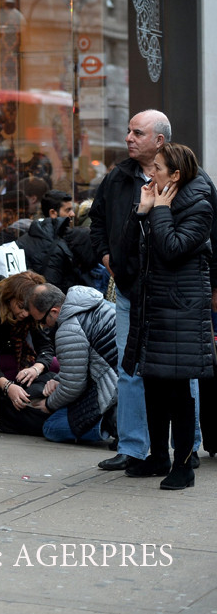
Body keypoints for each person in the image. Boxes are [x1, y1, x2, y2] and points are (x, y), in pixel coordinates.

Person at [119, 143, 214, 490]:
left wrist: (158, 210)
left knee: (176, 390)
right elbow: (129, 248)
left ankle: (183, 465)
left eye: (157, 168)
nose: (150, 173)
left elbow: (172, 249)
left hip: (180, 309)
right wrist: (142, 212)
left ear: (175, 175)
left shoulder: (199, 203)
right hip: (152, 304)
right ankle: (157, 456)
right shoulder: (156, 197)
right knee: (153, 384)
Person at [89, 109, 166, 471]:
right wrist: (106, 254)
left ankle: (187, 444)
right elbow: (98, 219)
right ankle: (133, 446)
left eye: (137, 133)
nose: (129, 138)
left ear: (159, 140)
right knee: (128, 366)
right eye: (129, 131)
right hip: (128, 288)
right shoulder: (118, 177)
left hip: (170, 291)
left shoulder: (188, 178)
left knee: (178, 370)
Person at [0, 271, 55, 436]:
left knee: (54, 365)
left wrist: (36, 368)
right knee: (23, 389)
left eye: (28, 309)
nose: (25, 314)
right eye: (21, 307)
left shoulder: (31, 311)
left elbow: (46, 346)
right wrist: (7, 386)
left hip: (17, 358)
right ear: (10, 297)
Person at [27, 284, 118, 444]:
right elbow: (85, 361)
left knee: (51, 427)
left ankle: (111, 422)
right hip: (122, 378)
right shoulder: (93, 303)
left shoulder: (68, 329)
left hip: (112, 388)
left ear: (54, 311)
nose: (43, 327)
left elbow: (73, 386)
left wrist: (49, 404)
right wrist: (58, 379)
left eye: (41, 321)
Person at [15, 189, 78, 291]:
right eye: (68, 210)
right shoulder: (58, 241)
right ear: (53, 213)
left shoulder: (26, 238)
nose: (73, 214)